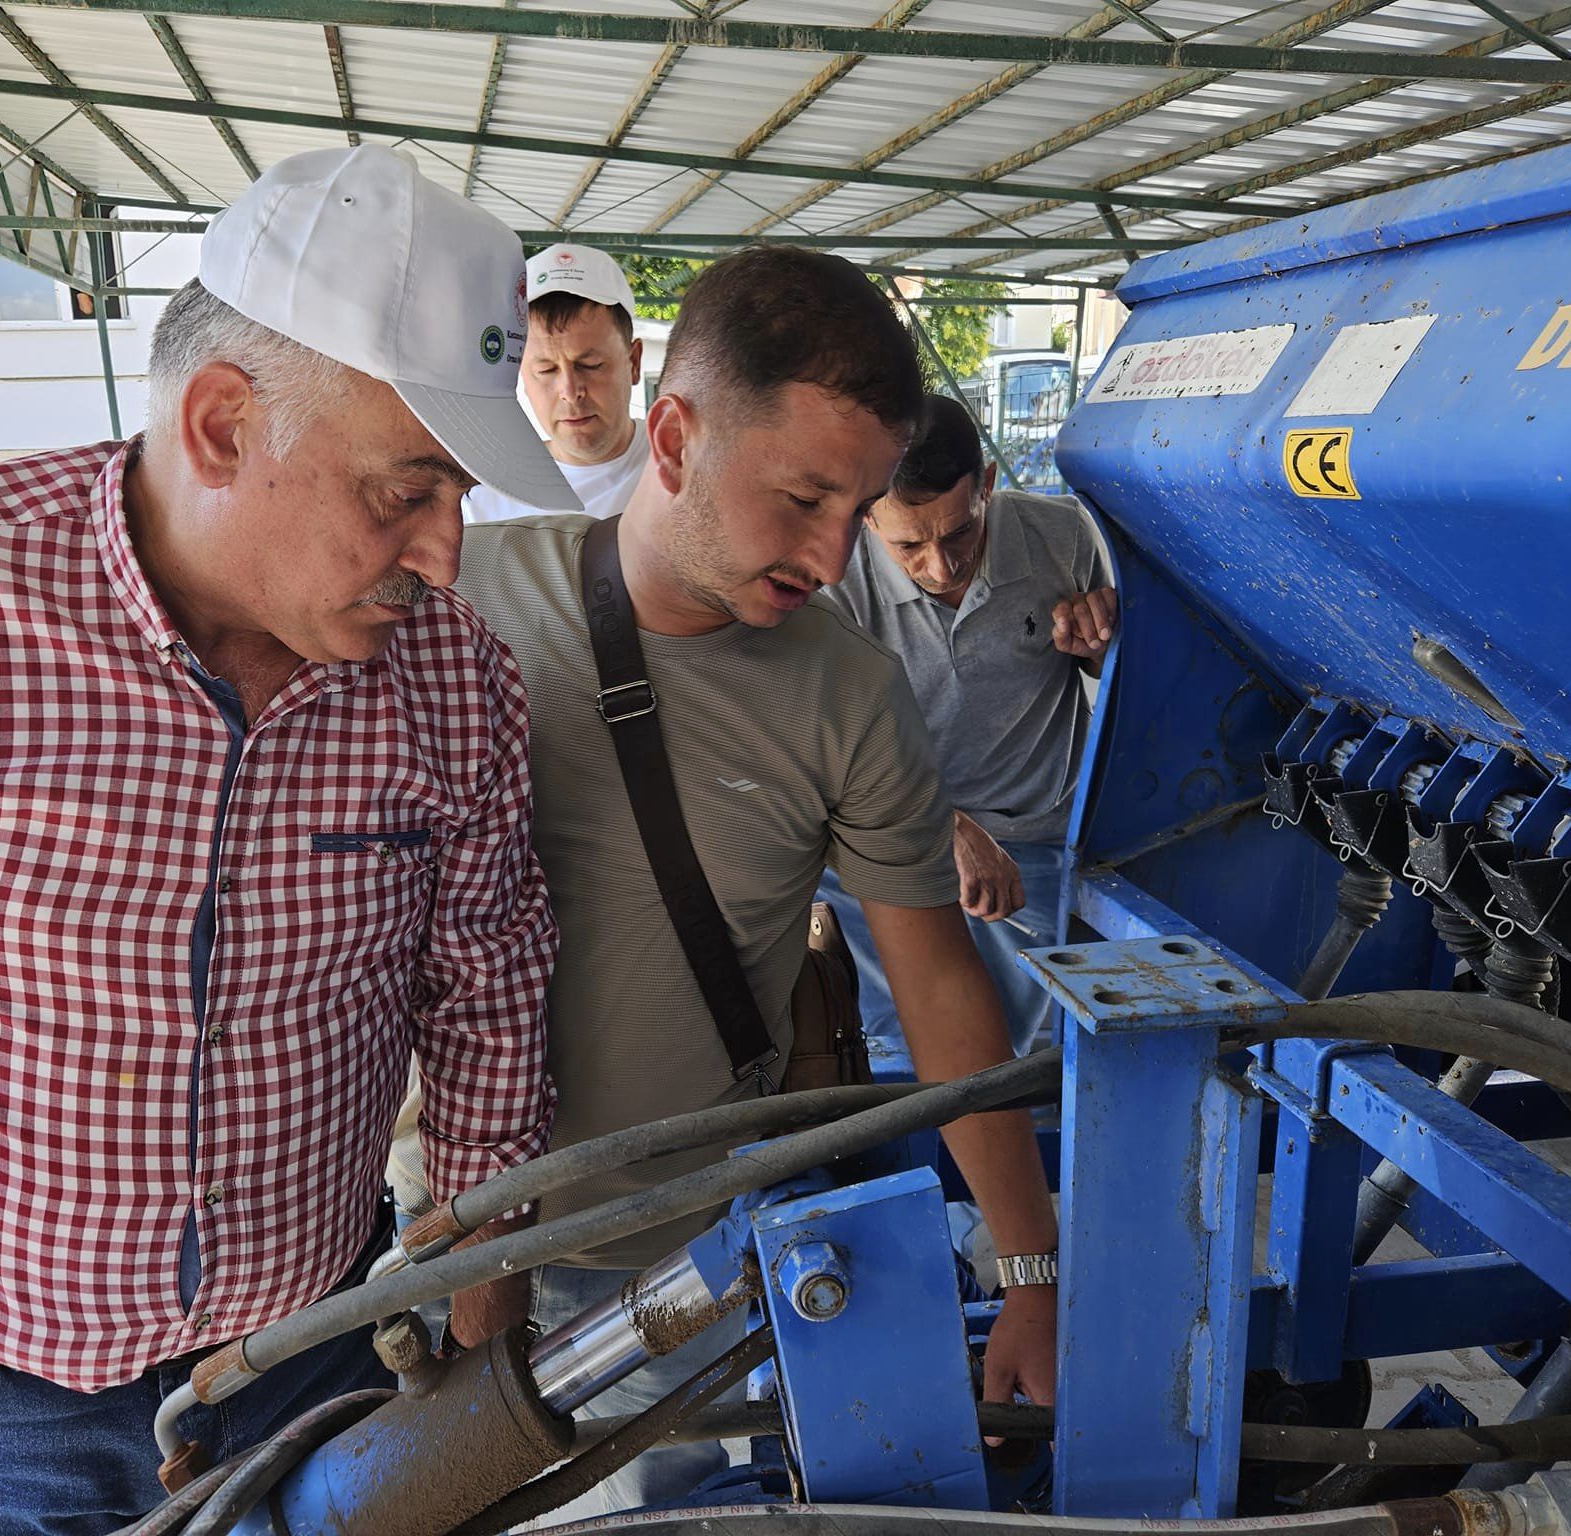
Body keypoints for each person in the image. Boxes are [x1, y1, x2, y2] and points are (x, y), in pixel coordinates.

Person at [0, 144, 574, 1536]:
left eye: (462, 499)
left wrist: (488, 1292)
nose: (445, 552)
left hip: (317, 1352)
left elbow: (488, 988)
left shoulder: (453, 683)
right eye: (406, 489)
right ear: (218, 423)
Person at [425, 247, 1062, 1511]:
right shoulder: (462, 610)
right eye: (804, 499)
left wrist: (1032, 1273)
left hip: (681, 1261)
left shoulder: (848, 696)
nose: (834, 560)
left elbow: (937, 990)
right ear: (673, 438)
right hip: (432, 1252)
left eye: (857, 511)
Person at [820, 393, 1117, 1061]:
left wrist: (1104, 642)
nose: (940, 566)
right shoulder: (834, 580)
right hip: (891, 835)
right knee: (892, 1053)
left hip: (1035, 849)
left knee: (996, 1062)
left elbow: (1124, 685)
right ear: (867, 515)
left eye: (959, 533)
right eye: (908, 545)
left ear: (987, 485)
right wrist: (941, 827)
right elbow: (818, 747)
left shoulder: (1066, 537)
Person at [465, 242, 647, 523]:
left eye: (591, 365)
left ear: (633, 363)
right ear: (521, 375)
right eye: (546, 370)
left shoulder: (688, 464)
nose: (570, 392)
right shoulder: (488, 503)